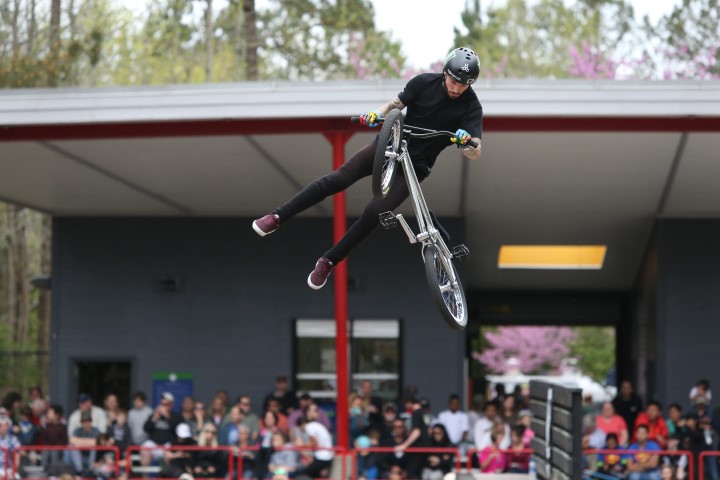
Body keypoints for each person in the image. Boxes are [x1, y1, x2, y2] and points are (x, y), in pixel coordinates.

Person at [252, 47, 483, 289]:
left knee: (374, 213)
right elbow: (396, 104)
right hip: (391, 144)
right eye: (454, 81)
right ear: (445, 73)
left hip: (417, 166)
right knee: (339, 178)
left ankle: (328, 261)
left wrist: (467, 142)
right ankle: (277, 217)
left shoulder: (471, 106)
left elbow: (476, 151)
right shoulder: (423, 83)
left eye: (464, 84)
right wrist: (376, 113)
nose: (457, 88)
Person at [394, 398, 431, 479]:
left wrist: (404, 445)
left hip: (417, 450)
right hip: (424, 449)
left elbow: (417, 432)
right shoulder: (423, 414)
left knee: (412, 474)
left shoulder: (416, 413)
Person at [296, 403, 334, 478]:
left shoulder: (310, 426)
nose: (316, 412)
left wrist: (302, 446)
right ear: (307, 413)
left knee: (301, 476)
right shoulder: (317, 425)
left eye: (316, 410)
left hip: (322, 457)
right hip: (327, 457)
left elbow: (314, 444)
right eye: (313, 410)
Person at [69, 411, 101, 476]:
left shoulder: (96, 430)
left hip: (93, 459)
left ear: (91, 422)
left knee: (93, 448)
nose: (86, 424)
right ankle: (79, 471)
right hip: (81, 457)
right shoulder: (78, 430)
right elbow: (72, 440)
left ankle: (90, 471)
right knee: (73, 447)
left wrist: (80, 442)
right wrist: (89, 441)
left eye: (87, 421)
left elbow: (96, 442)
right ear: (81, 423)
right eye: (83, 422)